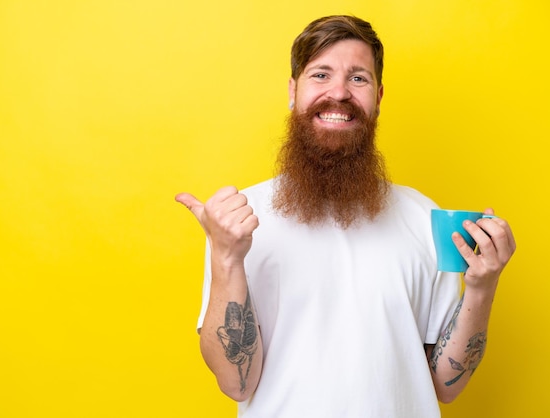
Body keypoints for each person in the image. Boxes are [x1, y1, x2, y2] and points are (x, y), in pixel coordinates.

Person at [175, 15, 516, 418]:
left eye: (358, 79)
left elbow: (446, 384)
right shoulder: (238, 221)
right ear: (292, 91)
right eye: (321, 75)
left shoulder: (425, 216)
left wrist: (481, 286)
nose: (339, 93)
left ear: (379, 95)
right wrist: (226, 257)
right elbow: (236, 383)